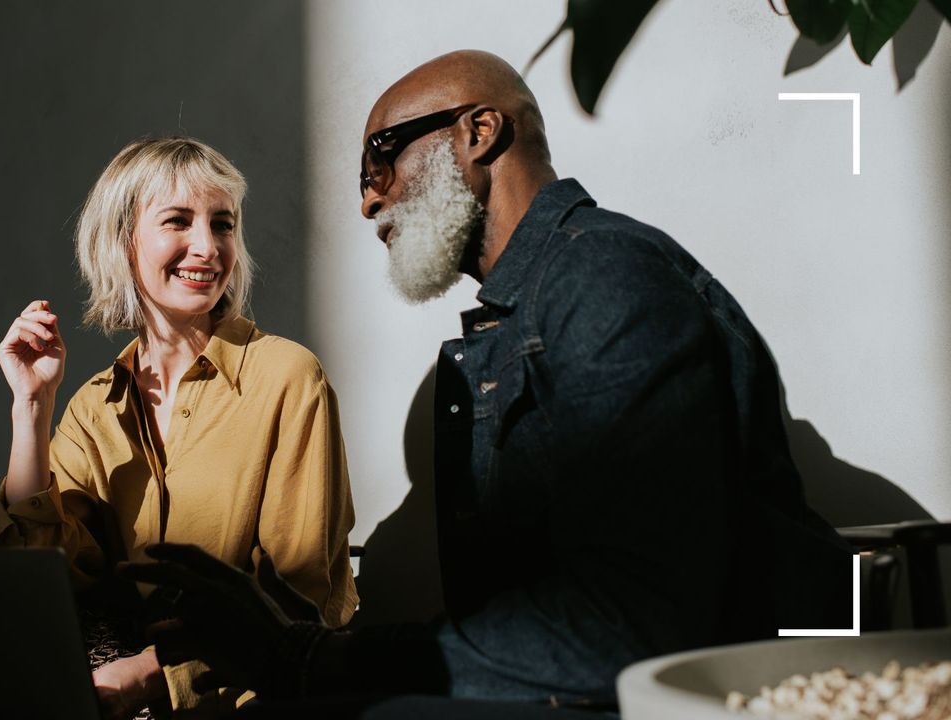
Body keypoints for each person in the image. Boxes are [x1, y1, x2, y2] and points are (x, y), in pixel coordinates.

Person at [120, 50, 853, 714]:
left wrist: (301, 656)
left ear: (478, 133)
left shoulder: (603, 279)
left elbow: (635, 626)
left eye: (381, 159)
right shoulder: (530, 308)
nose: (370, 200)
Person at [0, 137, 358, 718]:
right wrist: (31, 407)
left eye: (223, 224)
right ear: (123, 242)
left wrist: (146, 675)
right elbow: (43, 577)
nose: (207, 247)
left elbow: (298, 600)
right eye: (179, 221)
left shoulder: (287, 377)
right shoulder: (92, 408)